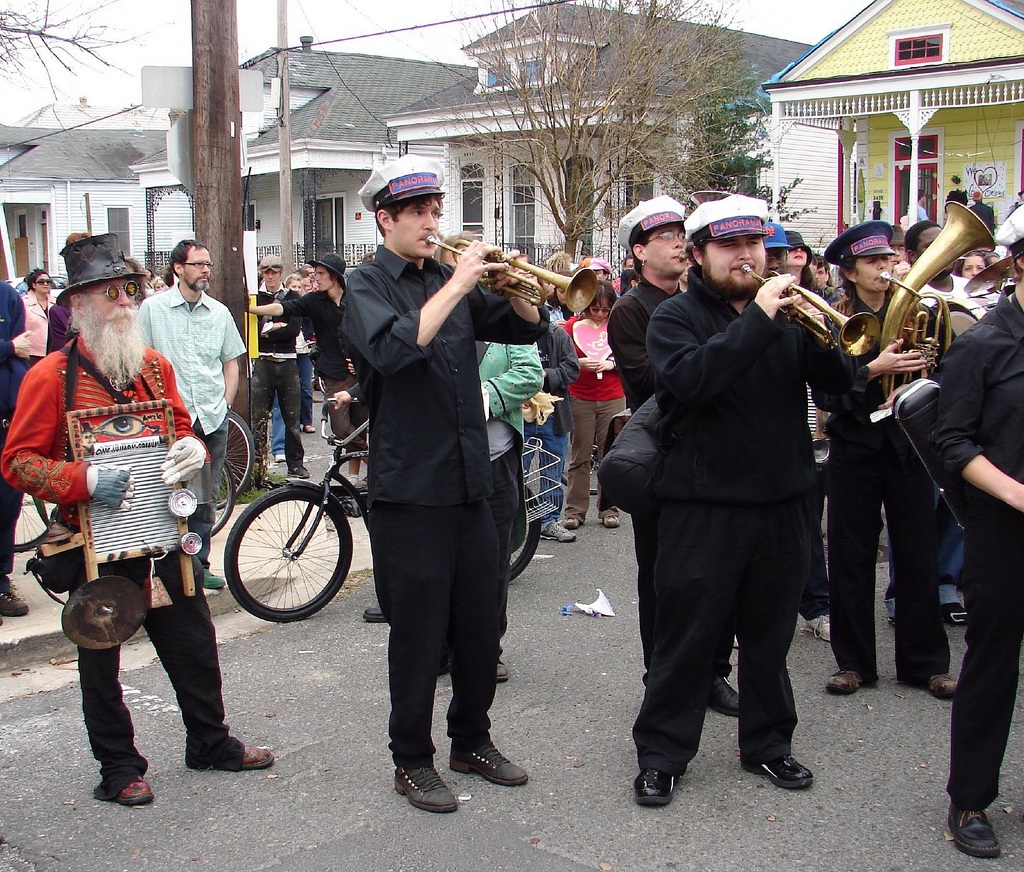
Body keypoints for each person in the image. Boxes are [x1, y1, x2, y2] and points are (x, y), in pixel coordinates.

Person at [0, 233, 273, 806]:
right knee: (101, 658)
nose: (125, 302)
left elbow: (179, 428)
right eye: (109, 294)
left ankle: (210, 742)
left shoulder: (151, 366)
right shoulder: (50, 377)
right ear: (77, 306)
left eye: (127, 291)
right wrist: (86, 479)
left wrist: (193, 449)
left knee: (195, 641)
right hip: (94, 542)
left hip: (162, 535)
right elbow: (18, 462)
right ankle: (118, 767)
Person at [631, 194, 853, 806]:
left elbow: (840, 388)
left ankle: (768, 745)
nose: (748, 256)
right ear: (699, 255)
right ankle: (662, 754)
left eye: (756, 244)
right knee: (687, 638)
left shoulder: (788, 310)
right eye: (730, 246)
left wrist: (831, 337)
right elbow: (692, 382)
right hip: (703, 506)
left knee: (769, 636)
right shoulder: (674, 318)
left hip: (783, 500)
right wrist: (759, 317)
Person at [343, 155, 546, 813]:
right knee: (420, 634)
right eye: (420, 212)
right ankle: (411, 759)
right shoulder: (366, 285)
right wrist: (458, 284)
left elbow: (522, 323)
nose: (434, 222)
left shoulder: (445, 277)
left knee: (481, 622)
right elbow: (398, 350)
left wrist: (515, 280)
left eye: (436, 209)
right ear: (385, 218)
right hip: (411, 490)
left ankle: (472, 739)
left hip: (472, 480)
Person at [608, 195, 740, 715]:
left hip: (719, 453)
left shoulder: (706, 300)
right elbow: (654, 383)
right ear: (639, 251)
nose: (679, 243)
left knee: (721, 575)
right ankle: (661, 674)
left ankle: (712, 673)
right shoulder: (629, 310)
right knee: (663, 578)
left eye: (681, 234)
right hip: (665, 458)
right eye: (665, 236)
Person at [815, 221, 953, 699]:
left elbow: (943, 374)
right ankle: (853, 663)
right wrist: (875, 369)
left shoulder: (916, 308)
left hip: (909, 446)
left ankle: (926, 663)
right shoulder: (833, 319)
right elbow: (827, 391)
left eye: (888, 258)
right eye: (873, 261)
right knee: (850, 557)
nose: (885, 267)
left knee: (918, 553)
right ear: (850, 271)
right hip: (854, 447)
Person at [934, 204, 1024, 859]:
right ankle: (970, 797)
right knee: (992, 666)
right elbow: (953, 443)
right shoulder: (983, 345)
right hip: (1004, 527)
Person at [138, 239, 246, 591]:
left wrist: (225, 404)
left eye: (208, 264)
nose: (206, 271)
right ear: (178, 268)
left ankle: (200, 564)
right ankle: (164, 568)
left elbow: (231, 362)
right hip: (169, 420)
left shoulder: (218, 313)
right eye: (198, 264)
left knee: (204, 497)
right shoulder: (153, 310)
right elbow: (139, 364)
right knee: (163, 494)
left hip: (211, 417)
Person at [478, 342, 543, 682]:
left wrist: (480, 395)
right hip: (443, 465)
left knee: (493, 563)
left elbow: (531, 373)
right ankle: (443, 645)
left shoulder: (507, 322)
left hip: (494, 463)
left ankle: (488, 650)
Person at [563, 283, 625, 530]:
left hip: (612, 395)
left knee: (610, 454)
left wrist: (612, 365)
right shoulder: (570, 327)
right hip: (580, 396)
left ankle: (609, 509)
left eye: (604, 309)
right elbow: (562, 359)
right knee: (580, 455)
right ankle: (574, 511)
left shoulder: (619, 325)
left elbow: (634, 354)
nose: (599, 314)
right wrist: (579, 363)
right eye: (594, 309)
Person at [252, 254, 307, 478]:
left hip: (287, 361)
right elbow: (252, 330)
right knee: (258, 418)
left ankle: (296, 464)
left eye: (275, 271)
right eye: (267, 272)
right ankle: (256, 466)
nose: (272, 276)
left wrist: (267, 328)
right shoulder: (254, 297)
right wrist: (275, 327)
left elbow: (293, 329)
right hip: (263, 361)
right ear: (261, 272)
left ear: (282, 272)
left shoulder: (293, 296)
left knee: (291, 417)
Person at [525, 318, 579, 543]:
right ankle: (514, 522)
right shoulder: (510, 334)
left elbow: (573, 369)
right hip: (522, 412)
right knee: (516, 473)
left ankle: (549, 521)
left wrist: (547, 374)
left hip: (554, 413)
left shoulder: (558, 335)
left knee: (553, 472)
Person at [0, 277, 31, 622]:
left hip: (8, 420)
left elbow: (25, 347)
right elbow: (16, 347)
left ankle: (1, 583)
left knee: (7, 505)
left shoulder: (7, 296)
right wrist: (7, 348)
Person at [21, 268, 53, 365]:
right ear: (33, 285)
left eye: (48, 282)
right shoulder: (23, 303)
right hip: (32, 353)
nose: (46, 284)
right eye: (41, 282)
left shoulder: (56, 303)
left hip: (53, 350)